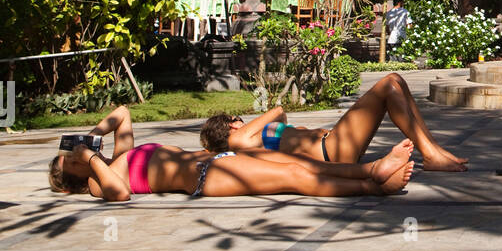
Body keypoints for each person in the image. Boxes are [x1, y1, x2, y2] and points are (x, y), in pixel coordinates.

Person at [49, 105, 415, 202]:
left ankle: (371, 169)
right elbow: (121, 193)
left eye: (74, 153)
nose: (79, 156)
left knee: (299, 163)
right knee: (294, 178)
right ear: (70, 183)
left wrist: (91, 136)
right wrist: (91, 160)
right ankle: (374, 187)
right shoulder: (100, 181)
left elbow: (123, 113)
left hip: (216, 160)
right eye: (73, 163)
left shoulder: (118, 156)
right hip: (205, 178)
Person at [199, 72, 468, 172]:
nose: (241, 121)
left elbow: (280, 116)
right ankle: (431, 154)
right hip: (332, 151)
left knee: (396, 80)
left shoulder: (248, 138)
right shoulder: (238, 140)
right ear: (230, 126)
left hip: (335, 145)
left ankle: (433, 149)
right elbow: (279, 110)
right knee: (388, 85)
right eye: (236, 119)